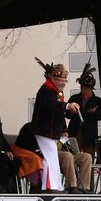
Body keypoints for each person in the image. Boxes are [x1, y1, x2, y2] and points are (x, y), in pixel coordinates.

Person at [31, 60, 81, 191]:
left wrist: (64, 128)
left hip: (51, 131)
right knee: (50, 158)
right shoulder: (46, 90)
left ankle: (57, 186)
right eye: (60, 80)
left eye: (65, 81)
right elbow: (51, 105)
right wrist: (67, 106)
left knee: (52, 157)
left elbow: (58, 112)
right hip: (44, 130)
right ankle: (50, 187)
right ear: (53, 79)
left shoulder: (55, 91)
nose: (63, 83)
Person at [16, 121, 90, 194]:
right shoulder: (31, 127)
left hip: (61, 152)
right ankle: (71, 186)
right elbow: (27, 145)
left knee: (86, 157)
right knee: (67, 156)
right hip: (45, 153)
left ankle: (83, 187)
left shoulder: (57, 127)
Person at [65, 63, 101, 157]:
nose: (83, 91)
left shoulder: (97, 101)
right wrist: (71, 111)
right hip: (75, 130)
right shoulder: (75, 98)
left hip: (89, 133)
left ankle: (88, 172)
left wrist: (94, 112)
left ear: (91, 89)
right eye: (82, 88)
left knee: (88, 157)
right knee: (74, 155)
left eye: (85, 88)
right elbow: (67, 115)